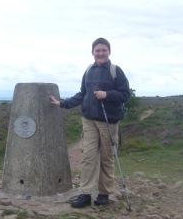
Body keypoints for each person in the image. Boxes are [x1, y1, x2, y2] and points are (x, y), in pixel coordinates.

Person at [50, 37, 130, 208]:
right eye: (97, 50)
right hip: (88, 119)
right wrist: (62, 103)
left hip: (108, 121)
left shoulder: (116, 71)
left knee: (107, 158)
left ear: (109, 52)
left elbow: (125, 95)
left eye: (104, 50)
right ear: (93, 52)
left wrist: (107, 95)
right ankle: (85, 193)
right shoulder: (88, 71)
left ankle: (104, 193)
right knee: (88, 157)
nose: (100, 53)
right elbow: (82, 94)